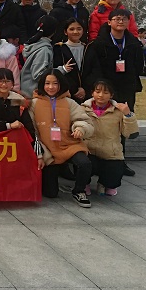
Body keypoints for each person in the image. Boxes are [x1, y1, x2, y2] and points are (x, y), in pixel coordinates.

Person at [83, 8, 143, 177]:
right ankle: (95, 161)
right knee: (100, 124)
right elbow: (90, 68)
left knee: (122, 124)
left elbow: (139, 66)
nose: (121, 21)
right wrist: (100, 88)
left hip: (125, 90)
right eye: (117, 18)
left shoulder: (134, 44)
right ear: (109, 22)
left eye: (124, 19)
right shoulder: (97, 44)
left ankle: (119, 161)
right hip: (103, 90)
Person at [29, 70, 94, 206]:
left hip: (69, 145)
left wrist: (80, 129)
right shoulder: (34, 103)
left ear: (61, 85)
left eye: (55, 83)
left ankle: (79, 190)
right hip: (48, 150)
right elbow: (32, 130)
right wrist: (40, 153)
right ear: (42, 84)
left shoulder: (69, 102)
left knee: (84, 163)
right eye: (47, 83)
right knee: (50, 193)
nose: (51, 87)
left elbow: (84, 120)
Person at [0, 67, 44, 170]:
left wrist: (39, 155)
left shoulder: (19, 103)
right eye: (0, 81)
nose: (4, 84)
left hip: (15, 152)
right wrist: (8, 126)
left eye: (7, 81)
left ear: (12, 84)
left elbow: (30, 130)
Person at [82, 80, 139, 196]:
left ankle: (104, 183)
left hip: (111, 152)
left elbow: (131, 134)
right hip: (89, 150)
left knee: (114, 176)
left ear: (111, 95)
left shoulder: (118, 111)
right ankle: (84, 183)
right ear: (92, 93)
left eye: (106, 92)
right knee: (82, 163)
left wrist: (128, 115)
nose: (101, 95)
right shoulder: (83, 109)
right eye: (97, 91)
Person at [20, 15, 57, 98]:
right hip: (33, 94)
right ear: (54, 31)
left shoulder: (35, 44)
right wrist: (62, 70)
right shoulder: (44, 50)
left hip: (28, 91)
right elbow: (38, 75)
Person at [53, 18, 86, 102]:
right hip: (67, 92)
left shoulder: (87, 48)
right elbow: (56, 71)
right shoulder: (59, 48)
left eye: (79, 29)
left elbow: (93, 70)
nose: (75, 32)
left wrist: (85, 89)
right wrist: (74, 90)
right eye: (71, 29)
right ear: (65, 32)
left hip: (87, 92)